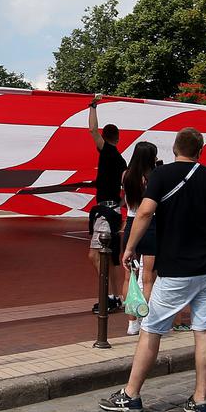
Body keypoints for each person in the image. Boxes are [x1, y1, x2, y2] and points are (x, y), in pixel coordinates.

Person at [101, 127, 206, 412]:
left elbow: (143, 213)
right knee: (205, 330)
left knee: (152, 329)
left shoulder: (161, 175)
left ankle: (131, 395)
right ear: (201, 150)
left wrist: (130, 247)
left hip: (176, 268)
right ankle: (200, 399)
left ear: (174, 149)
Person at [86, 94, 127, 314]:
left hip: (105, 211)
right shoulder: (121, 161)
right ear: (118, 138)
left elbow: (92, 130)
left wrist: (92, 106)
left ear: (105, 137)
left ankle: (107, 295)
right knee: (112, 258)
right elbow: (129, 187)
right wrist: (121, 202)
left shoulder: (107, 152)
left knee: (96, 255)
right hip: (113, 210)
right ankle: (116, 296)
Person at [120, 141, 160, 336]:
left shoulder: (126, 176)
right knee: (148, 277)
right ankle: (145, 318)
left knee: (129, 276)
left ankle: (131, 322)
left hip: (130, 224)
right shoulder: (152, 178)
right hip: (150, 225)